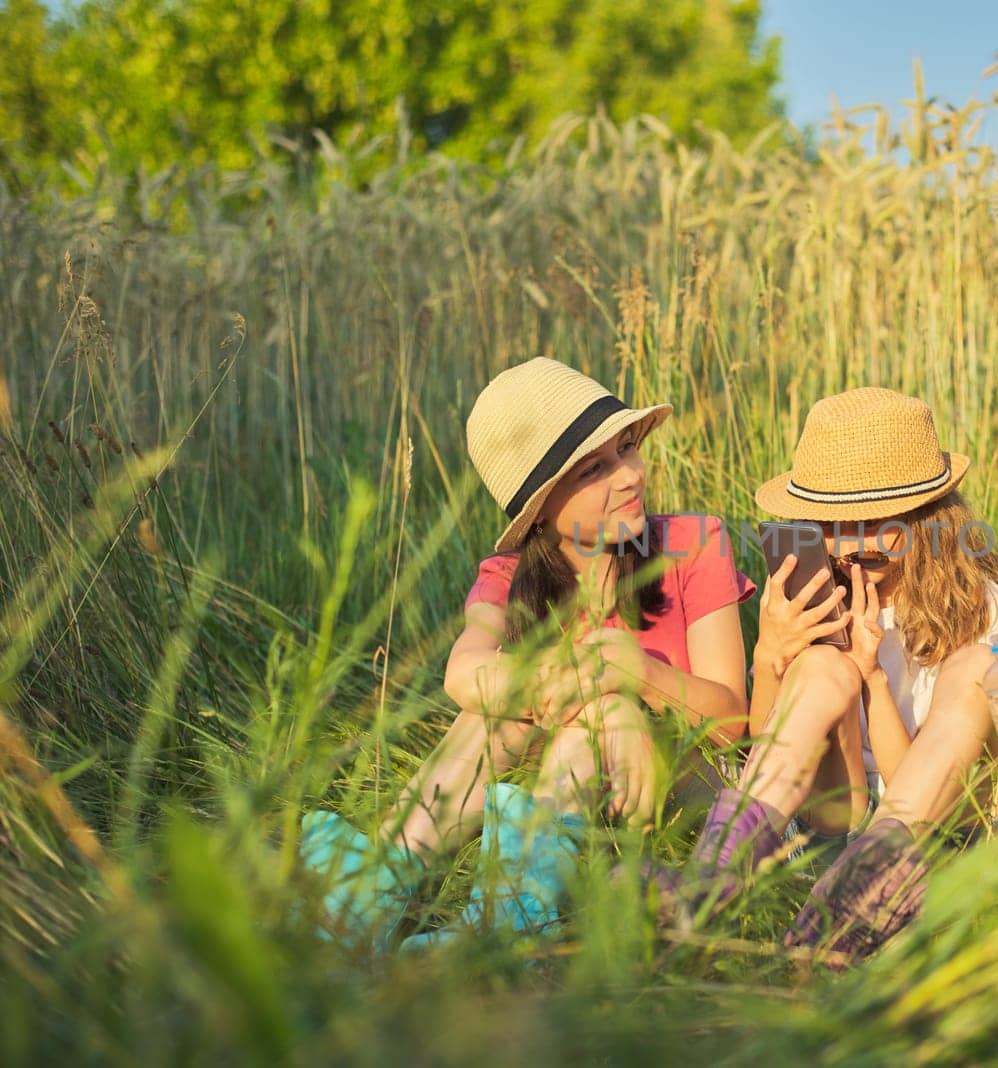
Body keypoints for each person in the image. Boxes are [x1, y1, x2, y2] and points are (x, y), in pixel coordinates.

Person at [300, 358, 755, 949]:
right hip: (571, 786)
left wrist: (634, 673)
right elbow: (464, 673)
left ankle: (497, 922)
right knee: (494, 713)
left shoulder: (693, 545)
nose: (630, 475)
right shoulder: (509, 577)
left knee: (540, 707)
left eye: (626, 448)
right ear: (540, 509)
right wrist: (601, 700)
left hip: (687, 782)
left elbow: (731, 723)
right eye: (595, 468)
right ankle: (382, 892)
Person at [668, 387, 998, 960]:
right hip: (835, 821)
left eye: (873, 521)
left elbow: (934, 779)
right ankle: (715, 876)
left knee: (980, 668)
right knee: (821, 665)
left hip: (940, 829)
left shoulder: (980, 607)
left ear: (927, 519)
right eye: (832, 523)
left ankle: (863, 890)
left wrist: (874, 681)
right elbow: (769, 745)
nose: (851, 545)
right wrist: (771, 654)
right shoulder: (810, 598)